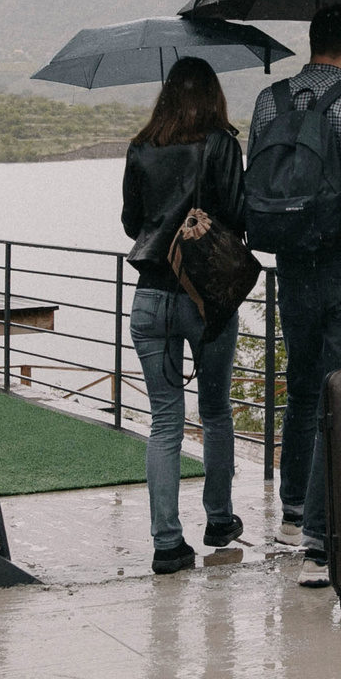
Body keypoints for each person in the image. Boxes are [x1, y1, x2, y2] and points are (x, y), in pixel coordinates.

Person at [251, 2, 341, 585]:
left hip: (289, 262)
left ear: (311, 42)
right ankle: (318, 544)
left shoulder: (270, 100)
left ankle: (292, 511)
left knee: (305, 386)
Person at [121, 56, 249, 574]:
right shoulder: (221, 144)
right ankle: (218, 519)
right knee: (215, 413)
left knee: (164, 420)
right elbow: (240, 217)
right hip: (207, 298)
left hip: (150, 297)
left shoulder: (140, 146)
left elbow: (133, 223)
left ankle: (167, 543)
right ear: (213, 94)